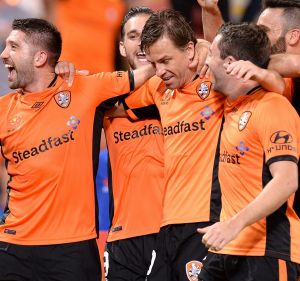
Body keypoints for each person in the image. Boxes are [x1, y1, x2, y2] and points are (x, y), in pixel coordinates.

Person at [122, 10, 284, 281]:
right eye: (154, 63)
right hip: (167, 224)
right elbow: (112, 104)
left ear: (190, 51)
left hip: (206, 221)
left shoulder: (218, 83)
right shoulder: (157, 89)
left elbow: (276, 82)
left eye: (165, 60)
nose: (160, 71)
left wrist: (209, 34)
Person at [0, 18, 154, 281]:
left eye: (13, 47)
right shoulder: (3, 109)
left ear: (39, 57)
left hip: (73, 248)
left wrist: (199, 46)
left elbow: (151, 70)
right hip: (13, 245)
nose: (4, 54)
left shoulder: (87, 88)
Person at [197, 22, 300, 281]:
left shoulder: (273, 106)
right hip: (227, 249)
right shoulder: (228, 105)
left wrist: (234, 224)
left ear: (231, 62)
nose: (206, 62)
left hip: (268, 250)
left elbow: (287, 180)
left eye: (212, 55)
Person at [102, 7, 165, 281]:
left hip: (172, 230)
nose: (140, 43)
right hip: (122, 235)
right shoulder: (103, 96)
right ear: (122, 47)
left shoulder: (180, 92)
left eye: (148, 35)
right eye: (133, 36)